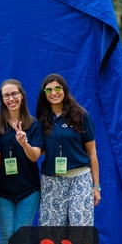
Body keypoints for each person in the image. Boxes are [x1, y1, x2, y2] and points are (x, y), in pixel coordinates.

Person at [0, 79, 43, 244]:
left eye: (14, 94)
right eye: (6, 95)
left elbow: (35, 157)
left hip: (28, 190)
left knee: (21, 234)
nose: (11, 98)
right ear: (2, 100)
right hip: (2, 189)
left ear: (22, 95)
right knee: (6, 234)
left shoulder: (34, 125)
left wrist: (24, 142)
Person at [35, 74, 100, 226]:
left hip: (81, 178)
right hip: (52, 180)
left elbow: (92, 152)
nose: (54, 93)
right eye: (49, 90)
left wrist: (96, 186)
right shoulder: (42, 119)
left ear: (65, 90)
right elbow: (42, 150)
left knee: (81, 230)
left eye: (57, 88)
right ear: (44, 94)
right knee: (51, 233)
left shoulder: (81, 115)